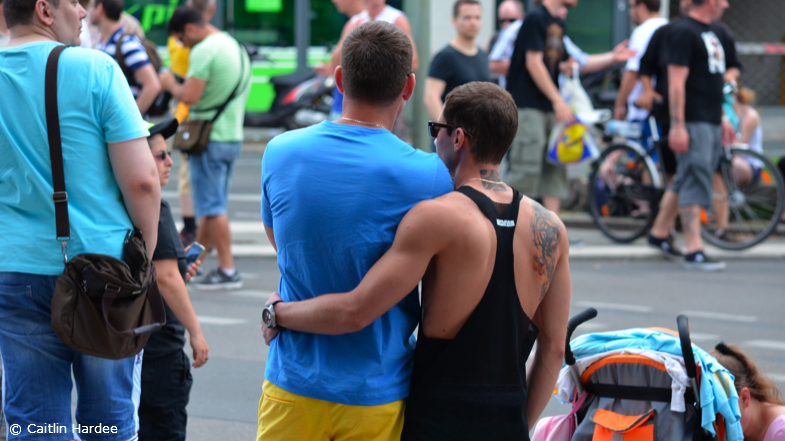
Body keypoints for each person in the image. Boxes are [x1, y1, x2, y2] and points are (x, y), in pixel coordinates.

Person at [262, 81, 571, 440]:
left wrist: (277, 313)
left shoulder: (436, 217)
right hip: (509, 420)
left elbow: (358, 309)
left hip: (437, 417)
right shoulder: (551, 228)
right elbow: (554, 349)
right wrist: (521, 424)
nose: (432, 142)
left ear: (457, 138)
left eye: (435, 130)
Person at [256, 21, 453, 441]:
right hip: (375, 394)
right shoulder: (430, 175)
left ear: (340, 80)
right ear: (408, 88)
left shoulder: (280, 152)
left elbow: (284, 245)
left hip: (290, 383)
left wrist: (279, 309)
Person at [0, 0, 160, 438]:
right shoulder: (96, 70)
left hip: (15, 266)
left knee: (36, 421)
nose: (84, 11)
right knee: (107, 420)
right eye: (74, 2)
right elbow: (143, 181)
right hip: (105, 271)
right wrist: (144, 256)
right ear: (44, 10)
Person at [504, 0, 634, 215]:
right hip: (528, 107)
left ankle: (552, 231)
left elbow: (573, 61)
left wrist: (612, 57)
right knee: (526, 170)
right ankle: (515, 232)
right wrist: (557, 99)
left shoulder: (557, 23)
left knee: (556, 168)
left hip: (552, 110)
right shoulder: (536, 18)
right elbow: (533, 63)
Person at [160, 6, 251, 290]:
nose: (183, 46)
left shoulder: (204, 50)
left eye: (181, 40)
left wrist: (169, 84)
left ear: (189, 29)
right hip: (231, 134)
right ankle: (195, 262)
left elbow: (190, 94)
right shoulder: (233, 45)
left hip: (208, 139)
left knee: (212, 207)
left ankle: (227, 269)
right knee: (212, 207)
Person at [645, 0, 735, 271]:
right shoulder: (683, 32)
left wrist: (722, 116)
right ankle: (694, 247)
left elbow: (714, 82)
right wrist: (678, 125)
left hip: (709, 117)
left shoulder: (716, 32)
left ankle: (659, 232)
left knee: (687, 175)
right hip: (691, 119)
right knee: (695, 177)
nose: (726, 4)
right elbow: (675, 84)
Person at [140, 118, 209, 441]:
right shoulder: (155, 206)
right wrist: (196, 333)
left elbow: (158, 273)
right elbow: (166, 278)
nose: (170, 161)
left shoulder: (119, 202)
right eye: (160, 155)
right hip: (160, 351)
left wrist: (181, 270)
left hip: (128, 346)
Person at [320, 0, 418, 141]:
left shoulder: (396, 18)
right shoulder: (356, 21)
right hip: (359, 95)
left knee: (392, 143)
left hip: (388, 97)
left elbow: (413, 62)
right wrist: (351, 35)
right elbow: (335, 63)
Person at [167, 0, 216, 247]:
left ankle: (193, 233)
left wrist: (169, 84)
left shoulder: (196, 48)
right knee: (205, 187)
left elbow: (189, 93)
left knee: (190, 179)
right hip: (191, 117)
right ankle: (201, 235)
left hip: (189, 116)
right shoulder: (211, 42)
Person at [89, 0, 161, 116]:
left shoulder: (126, 43)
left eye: (91, 6)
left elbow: (153, 85)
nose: (86, 12)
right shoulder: (103, 43)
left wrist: (130, 121)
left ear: (100, 9)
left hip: (126, 130)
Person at [424, 0, 490, 122]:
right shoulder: (445, 57)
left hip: (477, 134)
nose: (473, 22)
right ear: (454, 20)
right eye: (467, 18)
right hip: (452, 136)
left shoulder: (483, 56)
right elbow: (431, 97)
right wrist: (447, 131)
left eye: (477, 17)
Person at [711, 343, 785, 441]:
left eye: (723, 411)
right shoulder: (746, 430)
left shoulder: (781, 432)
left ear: (744, 398)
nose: (715, 424)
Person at [612, 0, 668, 122]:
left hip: (644, 109)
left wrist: (619, 105)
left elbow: (633, 72)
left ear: (642, 7)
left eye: (631, 7)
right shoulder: (668, 26)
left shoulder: (643, 31)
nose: (629, 12)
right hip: (663, 107)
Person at [488, 0, 525, 89]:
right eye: (502, 21)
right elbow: (489, 66)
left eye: (512, 20)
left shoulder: (527, 36)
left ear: (522, 17)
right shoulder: (495, 38)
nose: (507, 24)